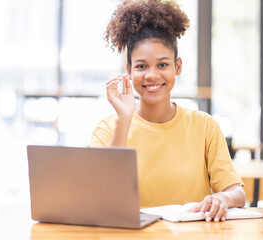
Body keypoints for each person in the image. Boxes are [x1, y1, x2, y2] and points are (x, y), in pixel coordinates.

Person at [90, 0, 246, 222]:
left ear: (178, 67)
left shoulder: (205, 126)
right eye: (141, 66)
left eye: (162, 65)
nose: (152, 75)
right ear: (128, 70)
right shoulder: (107, 129)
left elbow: (238, 193)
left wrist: (223, 198)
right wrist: (124, 120)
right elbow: (101, 197)